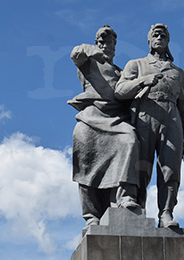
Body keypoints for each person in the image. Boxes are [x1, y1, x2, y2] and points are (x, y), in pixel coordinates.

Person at [115, 23, 184, 228]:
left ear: (168, 40)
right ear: (149, 40)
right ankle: (138, 213)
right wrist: (143, 80)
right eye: (156, 34)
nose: (159, 37)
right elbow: (120, 91)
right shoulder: (136, 64)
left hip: (172, 119)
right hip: (145, 114)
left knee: (170, 168)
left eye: (163, 34)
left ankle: (166, 213)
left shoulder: (178, 72)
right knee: (141, 167)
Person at [69, 25, 140, 226]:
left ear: (114, 46)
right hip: (91, 119)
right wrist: (91, 49)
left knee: (130, 139)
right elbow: (75, 54)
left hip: (117, 120)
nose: (103, 44)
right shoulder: (88, 63)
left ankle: (124, 197)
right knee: (86, 164)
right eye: (100, 41)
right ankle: (91, 215)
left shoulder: (120, 72)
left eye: (107, 41)